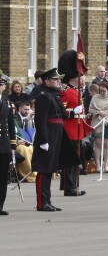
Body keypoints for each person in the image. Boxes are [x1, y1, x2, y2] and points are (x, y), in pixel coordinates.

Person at [31, 68, 64, 211]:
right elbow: (40, 120)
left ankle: (48, 200)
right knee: (44, 169)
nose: (58, 81)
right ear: (47, 81)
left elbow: (61, 114)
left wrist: (74, 112)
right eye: (55, 79)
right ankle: (41, 202)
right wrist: (44, 140)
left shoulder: (54, 95)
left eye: (58, 79)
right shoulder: (43, 96)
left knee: (50, 169)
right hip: (48, 135)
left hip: (56, 134)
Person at [58, 50, 87, 197]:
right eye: (79, 76)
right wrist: (74, 111)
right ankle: (70, 187)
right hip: (70, 128)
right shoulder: (66, 91)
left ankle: (71, 185)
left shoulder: (75, 91)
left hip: (77, 128)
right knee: (71, 159)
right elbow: (62, 110)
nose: (81, 78)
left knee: (75, 159)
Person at [0, 70, 16, 215]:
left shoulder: (6, 102)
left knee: (3, 176)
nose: (0, 87)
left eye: (1, 85)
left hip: (3, 144)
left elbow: (11, 125)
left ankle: (0, 205)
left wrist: (12, 145)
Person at [14, 101, 36, 182]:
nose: (27, 111)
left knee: (31, 148)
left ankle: (32, 172)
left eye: (28, 109)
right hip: (14, 144)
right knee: (24, 150)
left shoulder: (27, 119)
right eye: (25, 109)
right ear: (19, 109)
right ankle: (31, 176)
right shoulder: (14, 118)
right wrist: (17, 141)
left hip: (24, 142)